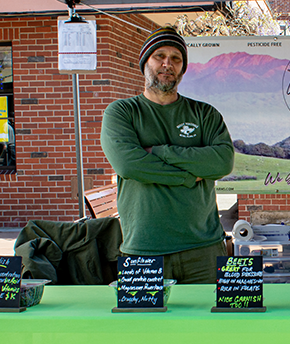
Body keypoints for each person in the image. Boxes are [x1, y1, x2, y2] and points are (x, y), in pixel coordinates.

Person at [100, 27, 234, 284]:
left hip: (203, 247)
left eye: (176, 58)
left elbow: (222, 161)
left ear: (182, 68)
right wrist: (188, 176)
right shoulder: (121, 113)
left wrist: (159, 151)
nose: (167, 64)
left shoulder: (205, 114)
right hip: (144, 248)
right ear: (144, 63)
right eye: (159, 56)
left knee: (207, 323)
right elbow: (129, 165)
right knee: (145, 325)